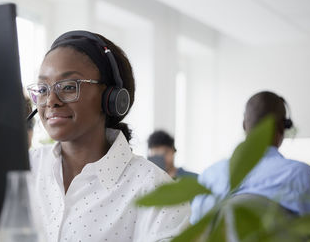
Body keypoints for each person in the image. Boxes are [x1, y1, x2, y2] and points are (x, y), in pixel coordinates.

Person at [27, 30, 190, 241]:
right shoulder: (25, 169)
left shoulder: (156, 191)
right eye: (42, 89)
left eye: (68, 87)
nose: (51, 101)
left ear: (111, 98)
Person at [190, 91, 310, 224]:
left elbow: (196, 230)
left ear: (244, 125)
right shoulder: (301, 175)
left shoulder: (210, 177)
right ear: (282, 126)